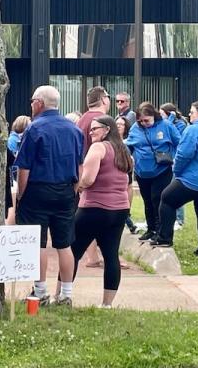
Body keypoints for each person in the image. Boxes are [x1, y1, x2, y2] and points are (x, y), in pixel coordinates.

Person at [16, 85, 84, 307]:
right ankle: (66, 294)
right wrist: (73, 191)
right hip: (66, 189)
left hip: (37, 189)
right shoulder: (75, 130)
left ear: (39, 103)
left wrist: (20, 195)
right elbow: (80, 166)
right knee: (64, 244)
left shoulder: (34, 129)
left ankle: (41, 291)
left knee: (38, 244)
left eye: (32, 101)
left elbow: (24, 168)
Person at [71, 115, 133, 307]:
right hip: (119, 209)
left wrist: (75, 188)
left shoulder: (98, 148)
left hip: (94, 207)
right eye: (90, 129)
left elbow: (88, 179)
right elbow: (129, 184)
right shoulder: (124, 150)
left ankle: (62, 294)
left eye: (95, 129)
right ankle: (107, 304)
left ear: (107, 129)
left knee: (72, 252)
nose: (90, 132)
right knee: (111, 255)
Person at [153, 101, 198, 254]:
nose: (189, 115)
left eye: (192, 112)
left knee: (166, 199)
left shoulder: (193, 130)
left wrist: (177, 172)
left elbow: (183, 155)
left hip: (194, 180)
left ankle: (165, 239)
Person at [125, 101, 182, 243]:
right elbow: (130, 147)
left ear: (154, 116)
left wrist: (173, 158)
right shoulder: (135, 128)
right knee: (147, 201)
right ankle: (151, 229)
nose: (144, 123)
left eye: (147, 120)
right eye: (141, 121)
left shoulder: (166, 126)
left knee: (158, 199)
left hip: (161, 170)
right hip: (142, 171)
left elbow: (179, 143)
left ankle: (160, 230)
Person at [76, 86, 111, 267]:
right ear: (104, 99)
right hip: (99, 177)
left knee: (87, 217)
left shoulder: (81, 120)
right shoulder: (103, 121)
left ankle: (92, 257)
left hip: (80, 174)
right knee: (103, 219)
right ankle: (105, 256)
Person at [115, 115, 138, 234]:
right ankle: (128, 221)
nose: (118, 126)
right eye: (116, 123)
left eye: (121, 124)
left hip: (126, 169)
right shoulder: (111, 141)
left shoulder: (129, 141)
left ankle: (127, 214)